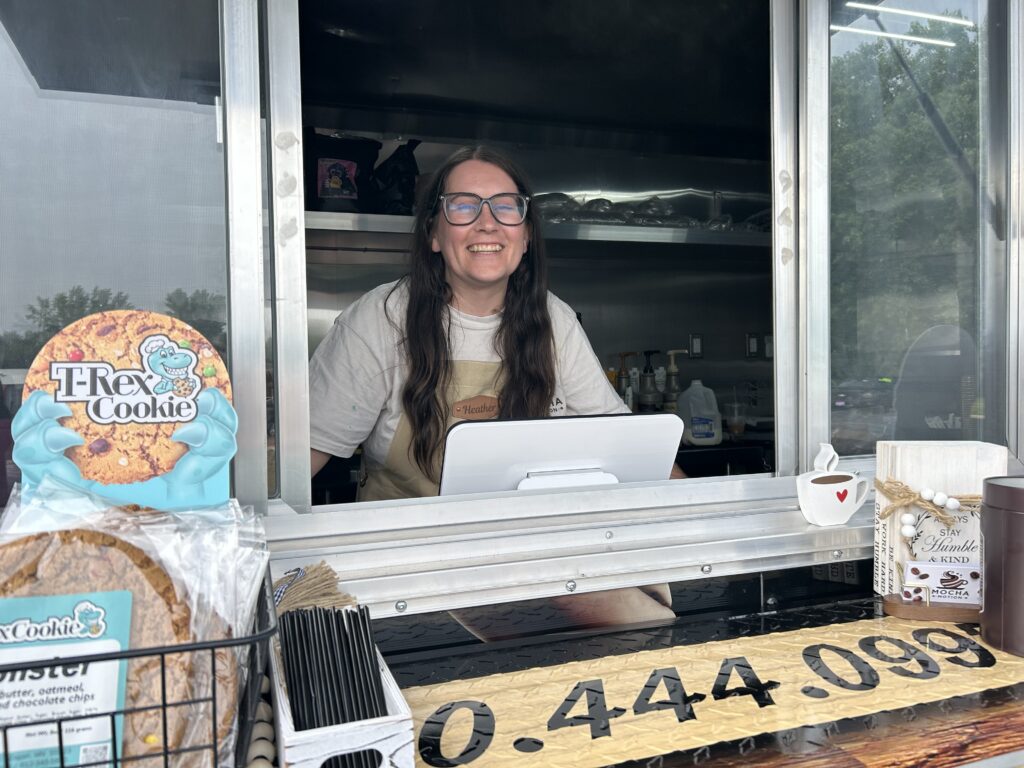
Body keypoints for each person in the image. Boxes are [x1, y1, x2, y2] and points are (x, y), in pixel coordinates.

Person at [308, 145, 680, 637]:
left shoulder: (555, 322)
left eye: (506, 206)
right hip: (404, 586)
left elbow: (634, 451)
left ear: (525, 236)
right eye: (463, 205)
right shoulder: (380, 319)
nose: (487, 223)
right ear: (435, 234)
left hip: (527, 572)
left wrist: (715, 524)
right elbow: (298, 463)